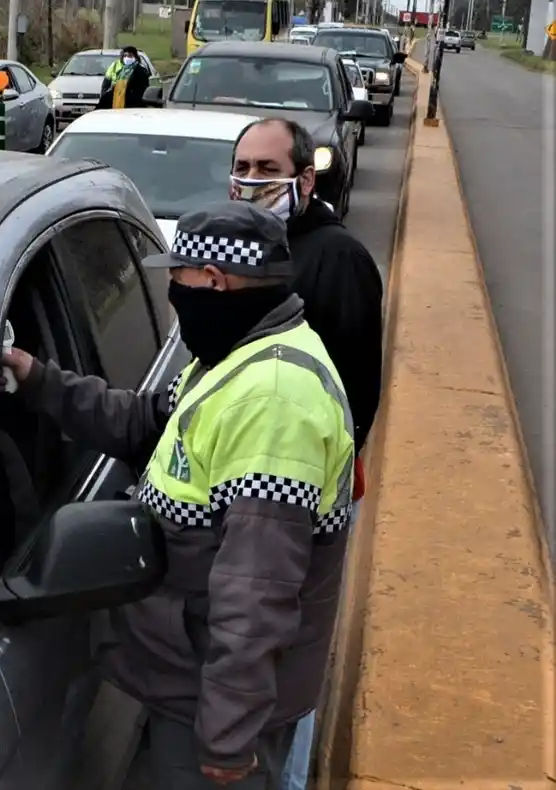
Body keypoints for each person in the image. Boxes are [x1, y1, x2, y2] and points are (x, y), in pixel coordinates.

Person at [1, 201, 357, 790]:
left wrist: (226, 737)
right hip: (187, 681)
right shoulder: (233, 357)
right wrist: (36, 376)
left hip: (211, 705)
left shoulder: (272, 401)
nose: (173, 292)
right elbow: (144, 423)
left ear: (214, 281)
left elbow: (256, 593)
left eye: (179, 277)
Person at [230, 118, 385, 790]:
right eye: (242, 167)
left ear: (305, 178)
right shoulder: (242, 248)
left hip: (303, 501)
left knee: (289, 662)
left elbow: (353, 397)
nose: (251, 181)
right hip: (245, 488)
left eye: (267, 170)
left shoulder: (335, 259)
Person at [98, 46, 151, 110]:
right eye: (125, 56)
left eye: (130, 56)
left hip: (132, 107)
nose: (127, 58)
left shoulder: (140, 71)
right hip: (118, 104)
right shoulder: (121, 71)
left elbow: (142, 91)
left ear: (135, 57)